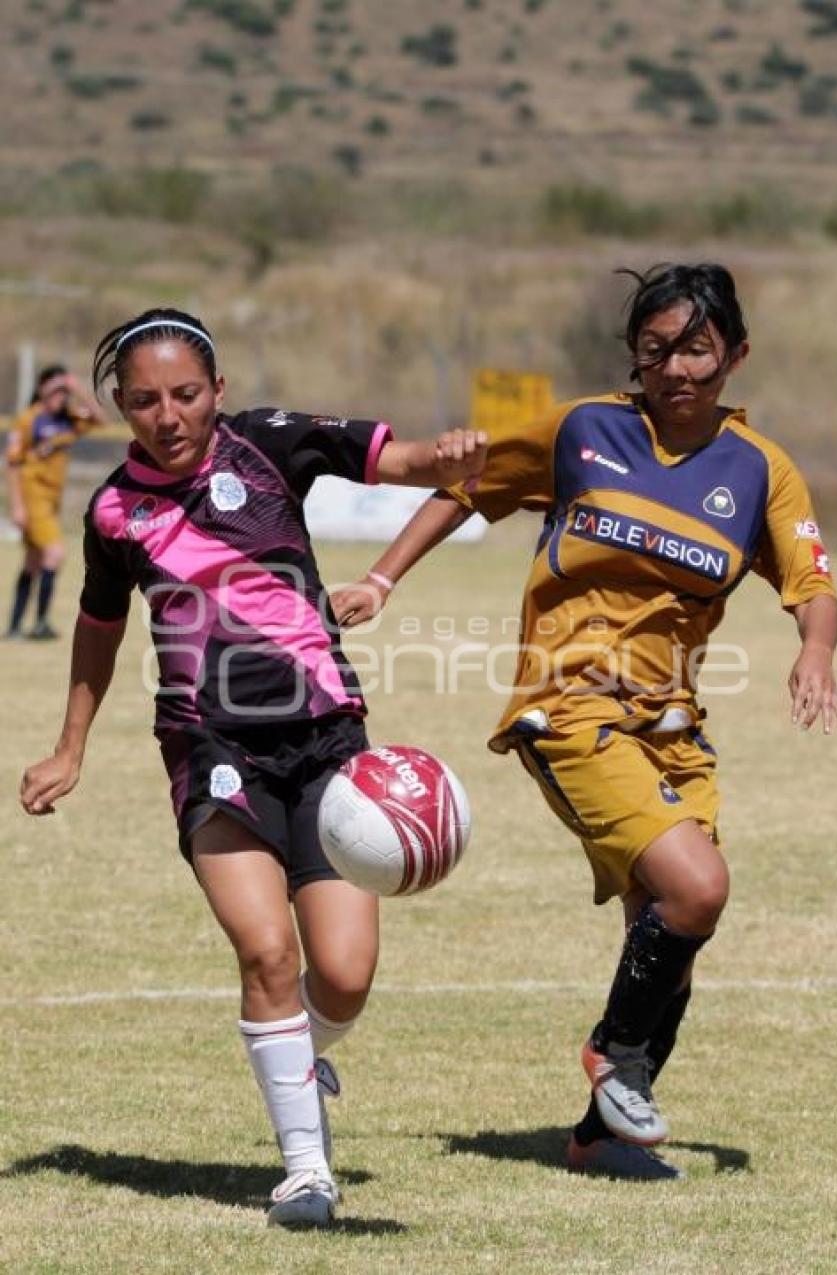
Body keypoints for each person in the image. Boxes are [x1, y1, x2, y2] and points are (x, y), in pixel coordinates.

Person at [331, 263, 837, 1181]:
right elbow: (469, 490)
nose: (676, 368)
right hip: (567, 706)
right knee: (698, 889)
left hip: (674, 726)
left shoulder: (761, 470)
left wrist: (815, 651)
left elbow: (813, 584)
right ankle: (616, 1058)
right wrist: (379, 576)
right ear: (634, 356)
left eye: (696, 347)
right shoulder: (583, 428)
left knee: (668, 938)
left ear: (735, 354)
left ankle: (600, 1136)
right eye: (656, 349)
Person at [19, 307, 487, 1228]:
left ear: (218, 391)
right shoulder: (116, 509)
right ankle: (306, 1170)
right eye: (145, 400)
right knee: (268, 950)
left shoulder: (272, 445)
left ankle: (302, 1051)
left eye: (186, 394)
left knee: (343, 975)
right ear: (119, 405)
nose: (167, 415)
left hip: (326, 738)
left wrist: (446, 455)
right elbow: (99, 628)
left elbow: (398, 459)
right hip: (209, 743)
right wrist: (70, 744)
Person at [5, 364, 107, 639]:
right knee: (55, 553)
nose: (60, 396)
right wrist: (16, 506)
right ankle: (39, 623)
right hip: (32, 495)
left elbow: (100, 420)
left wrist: (77, 389)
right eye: (55, 390)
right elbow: (12, 465)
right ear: (42, 389)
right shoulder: (29, 419)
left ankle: (15, 627)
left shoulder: (68, 418)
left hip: (52, 499)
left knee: (33, 560)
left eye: (64, 391)